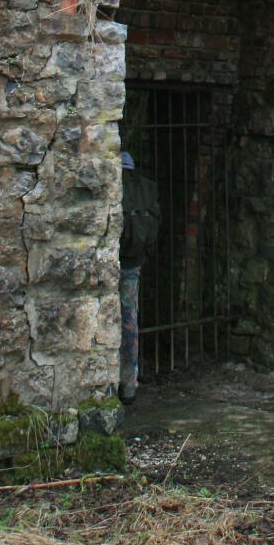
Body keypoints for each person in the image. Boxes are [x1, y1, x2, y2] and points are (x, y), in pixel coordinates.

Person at [118, 150, 161, 404]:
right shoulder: (146, 189)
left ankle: (105, 380)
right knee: (129, 320)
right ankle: (129, 383)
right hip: (133, 263)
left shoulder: (117, 186)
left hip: (114, 260)